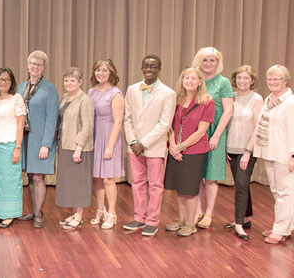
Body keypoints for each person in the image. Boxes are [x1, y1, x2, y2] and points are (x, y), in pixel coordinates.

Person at [121, 55, 176, 237]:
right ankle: (139, 217)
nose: (149, 69)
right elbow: (127, 118)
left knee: (155, 185)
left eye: (153, 66)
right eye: (146, 66)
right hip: (134, 145)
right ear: (141, 68)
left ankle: (152, 220)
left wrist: (144, 143)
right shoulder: (132, 89)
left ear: (159, 68)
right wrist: (133, 141)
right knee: (137, 183)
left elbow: (165, 123)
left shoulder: (168, 93)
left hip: (154, 146)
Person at [244, 65, 294, 244]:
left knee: (285, 193)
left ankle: (281, 230)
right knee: (277, 191)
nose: (272, 82)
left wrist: (293, 156)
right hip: (270, 151)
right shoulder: (269, 99)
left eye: (277, 79)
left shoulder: (290, 102)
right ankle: (284, 226)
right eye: (270, 79)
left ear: (285, 81)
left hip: (284, 154)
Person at [164, 67, 214, 237]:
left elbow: (201, 131)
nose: (190, 81)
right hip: (175, 150)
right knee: (180, 187)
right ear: (182, 80)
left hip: (194, 151)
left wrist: (181, 146)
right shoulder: (176, 99)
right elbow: (168, 126)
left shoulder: (207, 101)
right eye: (187, 78)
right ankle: (181, 219)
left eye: (194, 78)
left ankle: (191, 223)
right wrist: (172, 146)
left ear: (200, 81)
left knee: (190, 190)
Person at [16, 50, 59, 228]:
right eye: (33, 63)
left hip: (40, 140)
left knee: (39, 177)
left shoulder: (49, 89)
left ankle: (39, 213)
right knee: (31, 176)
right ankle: (33, 210)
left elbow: (52, 119)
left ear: (44, 68)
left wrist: (46, 145)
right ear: (28, 65)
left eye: (39, 64)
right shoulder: (21, 87)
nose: (35, 67)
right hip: (24, 139)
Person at [192, 47, 233, 229]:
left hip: (215, 131)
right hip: (197, 131)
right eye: (205, 60)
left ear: (218, 63)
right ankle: (197, 211)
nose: (208, 64)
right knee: (196, 174)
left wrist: (216, 136)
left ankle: (209, 213)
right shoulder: (195, 79)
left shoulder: (223, 82)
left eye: (212, 60)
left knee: (211, 176)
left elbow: (228, 111)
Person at [224, 65, 263, 240]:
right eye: (239, 78)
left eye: (246, 78)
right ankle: (246, 219)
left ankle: (238, 224)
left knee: (240, 185)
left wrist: (248, 151)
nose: (242, 81)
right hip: (231, 148)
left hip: (247, 149)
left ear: (252, 81)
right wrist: (223, 149)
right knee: (243, 184)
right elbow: (225, 123)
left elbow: (258, 127)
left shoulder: (257, 99)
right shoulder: (230, 97)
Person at [87, 59, 125, 230]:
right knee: (97, 177)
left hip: (109, 136)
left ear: (111, 73)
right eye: (97, 70)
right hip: (94, 136)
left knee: (108, 178)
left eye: (104, 70)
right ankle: (99, 210)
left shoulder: (115, 93)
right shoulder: (91, 92)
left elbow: (118, 122)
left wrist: (109, 147)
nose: (100, 73)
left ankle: (112, 213)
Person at [55, 68, 94, 230]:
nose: (68, 83)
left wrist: (79, 147)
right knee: (70, 183)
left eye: (72, 80)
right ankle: (74, 213)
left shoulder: (85, 100)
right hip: (65, 145)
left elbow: (87, 126)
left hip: (79, 148)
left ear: (80, 82)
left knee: (79, 183)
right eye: (66, 80)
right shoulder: (65, 98)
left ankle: (79, 216)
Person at [0, 67, 26, 229]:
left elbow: (20, 125)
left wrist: (17, 148)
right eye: (0, 79)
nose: (3, 82)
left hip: (11, 144)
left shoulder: (16, 99)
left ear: (11, 82)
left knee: (11, 180)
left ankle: (10, 214)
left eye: (7, 79)